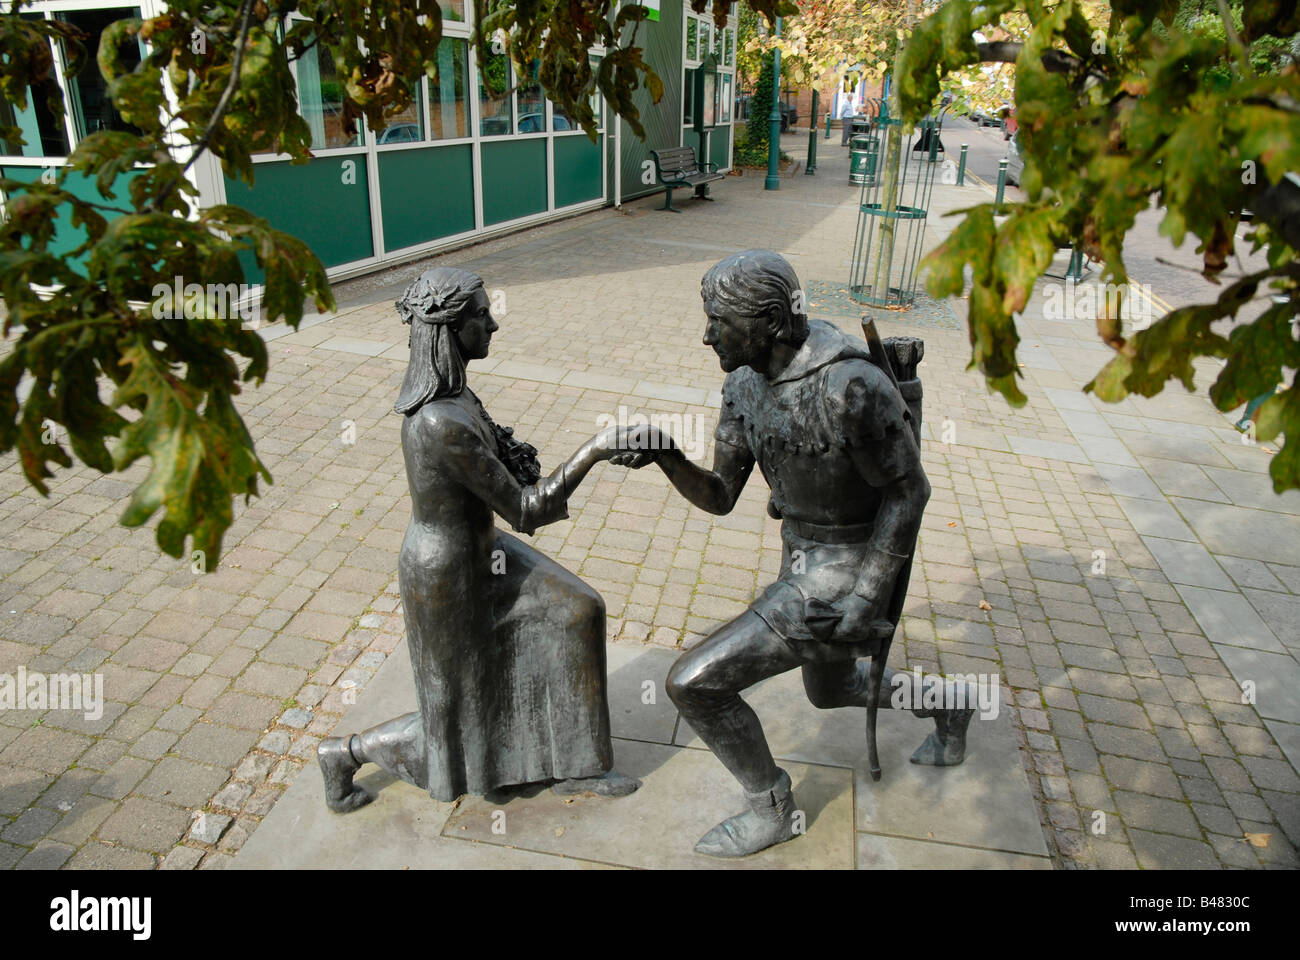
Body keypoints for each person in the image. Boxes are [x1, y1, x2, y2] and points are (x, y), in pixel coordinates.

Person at [635, 250, 975, 858]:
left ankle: (772, 806)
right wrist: (668, 455)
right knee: (832, 688)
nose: (706, 334)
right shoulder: (742, 385)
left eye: (718, 321)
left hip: (844, 570)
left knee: (694, 682)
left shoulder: (853, 385)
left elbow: (908, 491)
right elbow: (720, 496)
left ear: (766, 322)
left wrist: (868, 596)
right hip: (799, 559)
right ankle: (948, 705)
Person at [317, 267, 644, 812]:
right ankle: (343, 754)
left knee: (577, 611)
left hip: (483, 550)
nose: (493, 323)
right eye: (481, 316)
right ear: (451, 328)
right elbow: (526, 509)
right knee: (452, 711)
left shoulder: (458, 395)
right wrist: (598, 448)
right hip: (447, 573)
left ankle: (574, 764)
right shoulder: (440, 423)